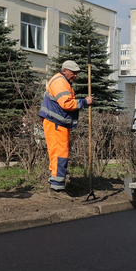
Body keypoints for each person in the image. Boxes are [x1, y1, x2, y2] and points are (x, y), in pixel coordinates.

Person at [39, 60, 93, 193]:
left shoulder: (61, 81)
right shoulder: (60, 82)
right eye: (73, 73)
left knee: (57, 153)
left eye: (77, 73)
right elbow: (66, 104)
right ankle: (57, 187)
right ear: (65, 71)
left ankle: (55, 181)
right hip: (56, 123)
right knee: (60, 153)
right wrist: (84, 102)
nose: (76, 75)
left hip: (56, 123)